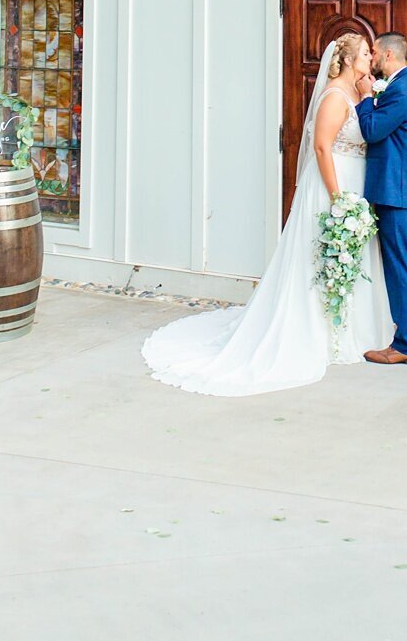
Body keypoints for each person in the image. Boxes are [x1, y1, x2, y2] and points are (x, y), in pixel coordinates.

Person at [141, 33, 393, 395]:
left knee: (350, 257)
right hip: (332, 184)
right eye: (366, 53)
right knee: (320, 255)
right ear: (351, 60)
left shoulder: (358, 94)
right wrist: (338, 197)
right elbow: (322, 147)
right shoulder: (336, 97)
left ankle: (352, 330)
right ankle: (318, 331)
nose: (371, 59)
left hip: (354, 181)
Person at [355, 32, 407, 365]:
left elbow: (372, 130)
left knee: (403, 267)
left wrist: (364, 97)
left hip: (399, 193)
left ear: (388, 55)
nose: (371, 57)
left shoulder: (402, 90)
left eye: (373, 52)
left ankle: (406, 346)